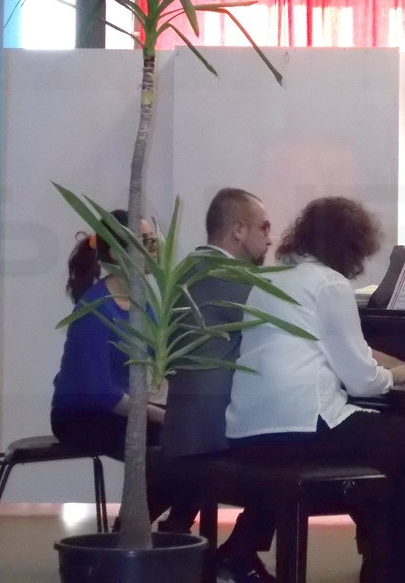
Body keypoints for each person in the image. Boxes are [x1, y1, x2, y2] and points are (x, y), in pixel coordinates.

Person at [225, 196, 405, 583]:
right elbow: (362, 381)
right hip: (302, 428)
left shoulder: (268, 280)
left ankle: (383, 564)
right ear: (351, 245)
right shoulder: (329, 283)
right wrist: (396, 375)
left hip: (248, 431)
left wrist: (380, 369)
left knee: (387, 438)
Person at [159, 188, 277, 582]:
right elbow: (295, 324)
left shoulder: (190, 268)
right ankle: (237, 556)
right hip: (212, 433)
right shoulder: (230, 276)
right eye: (264, 228)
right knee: (290, 448)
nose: (270, 238)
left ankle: (197, 539)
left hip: (185, 428)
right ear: (238, 230)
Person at [50, 209, 178, 523]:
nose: (154, 249)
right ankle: (130, 530)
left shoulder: (144, 303)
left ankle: (175, 528)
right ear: (116, 253)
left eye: (153, 240)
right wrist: (162, 415)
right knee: (171, 450)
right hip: (80, 417)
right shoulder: (94, 308)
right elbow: (101, 395)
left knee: (193, 442)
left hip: (123, 409)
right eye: (144, 242)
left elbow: (159, 361)